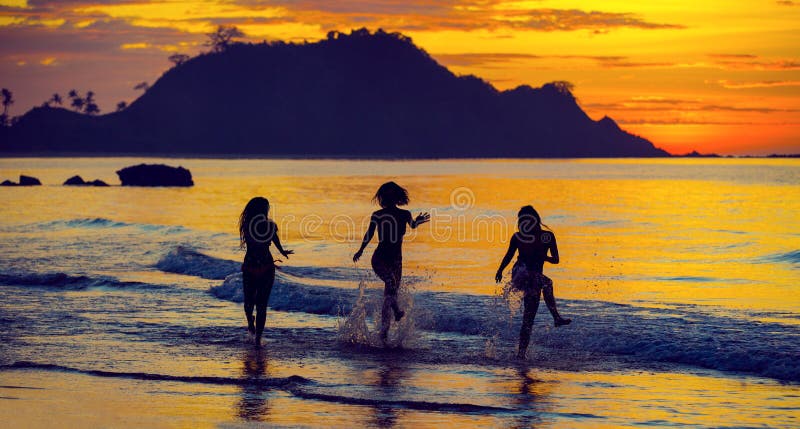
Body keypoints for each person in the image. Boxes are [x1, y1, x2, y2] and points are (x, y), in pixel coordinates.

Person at [353, 182, 430, 345]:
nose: (385, 199)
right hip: (380, 258)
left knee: (389, 296)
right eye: (384, 196)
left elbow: (413, 225)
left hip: (397, 262)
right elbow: (369, 234)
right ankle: (397, 312)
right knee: (391, 284)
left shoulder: (405, 214)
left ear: (394, 197)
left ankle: (384, 336)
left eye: (387, 196)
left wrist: (418, 221)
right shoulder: (377, 215)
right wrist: (360, 250)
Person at [495, 205, 571, 359]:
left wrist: (544, 257)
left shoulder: (547, 237)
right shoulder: (517, 237)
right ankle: (556, 317)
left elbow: (556, 259)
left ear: (535, 219)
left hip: (535, 280)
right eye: (522, 220)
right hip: (520, 273)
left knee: (528, 319)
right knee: (547, 283)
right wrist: (500, 270)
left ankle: (521, 354)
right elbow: (509, 255)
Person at [239, 196, 293, 348]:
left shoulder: (269, 226)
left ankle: (258, 339)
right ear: (260, 209)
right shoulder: (249, 225)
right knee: (249, 303)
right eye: (266, 207)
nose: (268, 209)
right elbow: (256, 238)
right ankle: (251, 322)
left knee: (262, 305)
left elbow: (273, 237)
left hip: (267, 267)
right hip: (250, 267)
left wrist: (282, 251)